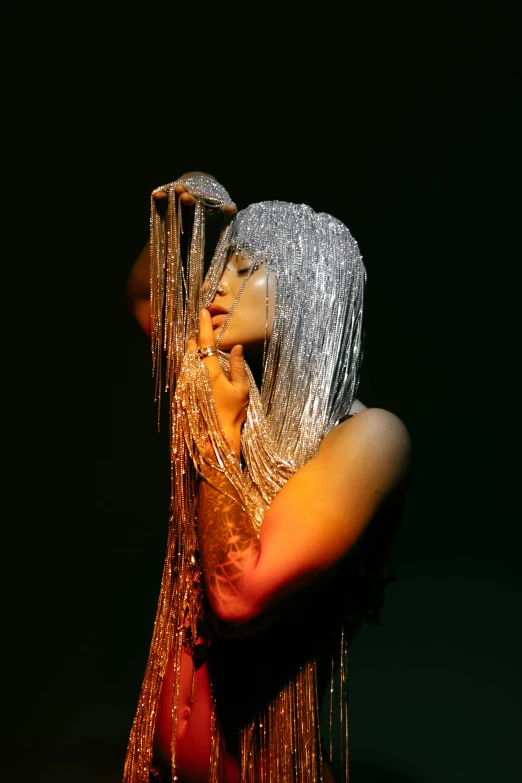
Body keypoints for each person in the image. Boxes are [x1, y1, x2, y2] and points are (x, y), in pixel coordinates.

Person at [123, 171, 413, 783]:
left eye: (243, 269)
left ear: (307, 291)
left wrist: (219, 442)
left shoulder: (368, 440)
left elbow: (237, 597)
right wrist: (182, 216)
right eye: (219, 267)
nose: (214, 286)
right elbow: (149, 297)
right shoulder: (224, 396)